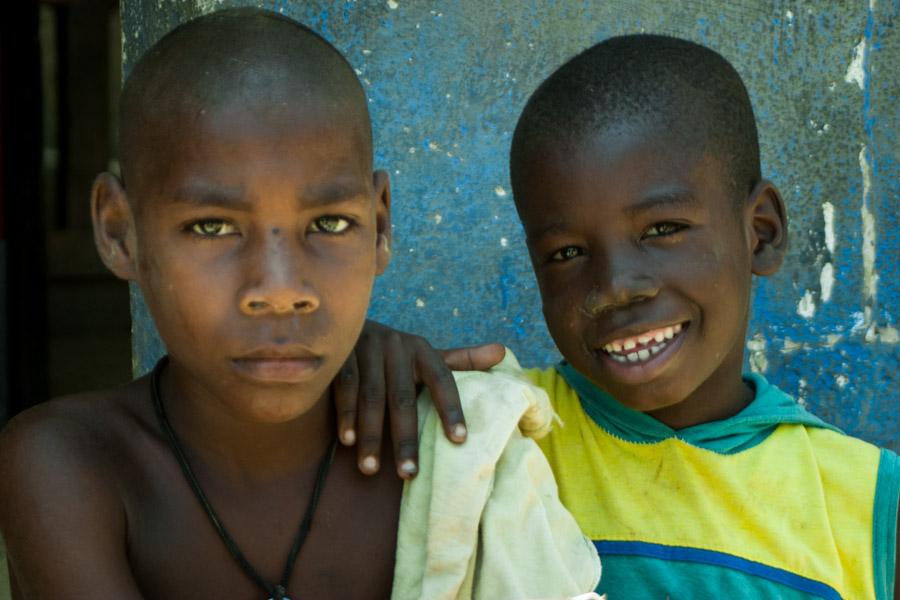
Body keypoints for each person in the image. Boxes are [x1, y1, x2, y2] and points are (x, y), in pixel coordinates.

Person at [0, 9, 600, 599]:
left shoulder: (458, 459)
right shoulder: (71, 466)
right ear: (118, 232)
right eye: (212, 227)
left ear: (381, 225)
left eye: (330, 223)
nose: (281, 289)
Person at [341, 34, 900, 599]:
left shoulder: (869, 505)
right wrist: (351, 362)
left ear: (762, 233)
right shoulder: (496, 436)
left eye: (662, 230)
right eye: (567, 254)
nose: (613, 289)